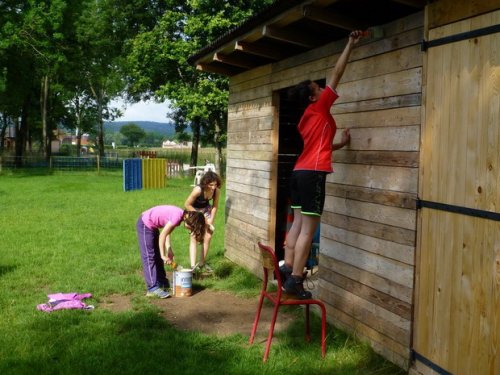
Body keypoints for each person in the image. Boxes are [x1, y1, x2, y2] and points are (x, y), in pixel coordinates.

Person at [282, 30, 364, 299]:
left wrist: (341, 143)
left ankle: (287, 269)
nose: (322, 87)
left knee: (296, 224)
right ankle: (296, 280)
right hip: (312, 175)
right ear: (313, 96)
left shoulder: (309, 115)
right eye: (318, 88)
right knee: (308, 229)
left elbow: (320, 147)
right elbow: (337, 74)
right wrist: (350, 44)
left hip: (299, 172)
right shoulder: (319, 107)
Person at [136, 205, 206, 298]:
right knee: (149, 257)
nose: (189, 230)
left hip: (152, 226)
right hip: (145, 224)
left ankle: (162, 282)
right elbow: (162, 235)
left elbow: (167, 232)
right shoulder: (177, 216)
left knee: (157, 257)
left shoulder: (180, 216)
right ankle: (152, 288)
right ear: (191, 222)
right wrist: (163, 255)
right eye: (191, 228)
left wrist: (169, 249)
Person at [184, 170, 222, 271]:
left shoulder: (216, 191)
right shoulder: (198, 190)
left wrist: (210, 220)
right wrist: (201, 216)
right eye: (211, 185)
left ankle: (201, 264)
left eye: (215, 184)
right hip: (193, 211)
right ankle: (193, 266)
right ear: (205, 183)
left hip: (205, 210)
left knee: (208, 236)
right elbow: (187, 204)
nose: (213, 187)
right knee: (195, 236)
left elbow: (215, 206)